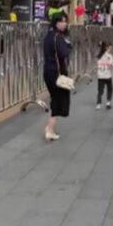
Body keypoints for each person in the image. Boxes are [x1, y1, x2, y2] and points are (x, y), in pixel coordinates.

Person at [42, 12, 71, 142]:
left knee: (55, 99)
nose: (65, 24)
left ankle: (51, 129)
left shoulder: (48, 35)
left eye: (65, 21)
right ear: (57, 22)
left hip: (48, 72)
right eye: (63, 21)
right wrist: (68, 45)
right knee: (58, 101)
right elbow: (64, 53)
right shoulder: (58, 37)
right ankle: (49, 129)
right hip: (56, 74)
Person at [95, 41, 113, 110]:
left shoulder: (99, 56)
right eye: (109, 47)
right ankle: (108, 103)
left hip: (100, 76)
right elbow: (111, 64)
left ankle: (98, 104)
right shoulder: (109, 56)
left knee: (100, 90)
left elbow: (97, 64)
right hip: (107, 76)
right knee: (110, 89)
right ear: (106, 48)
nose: (110, 49)